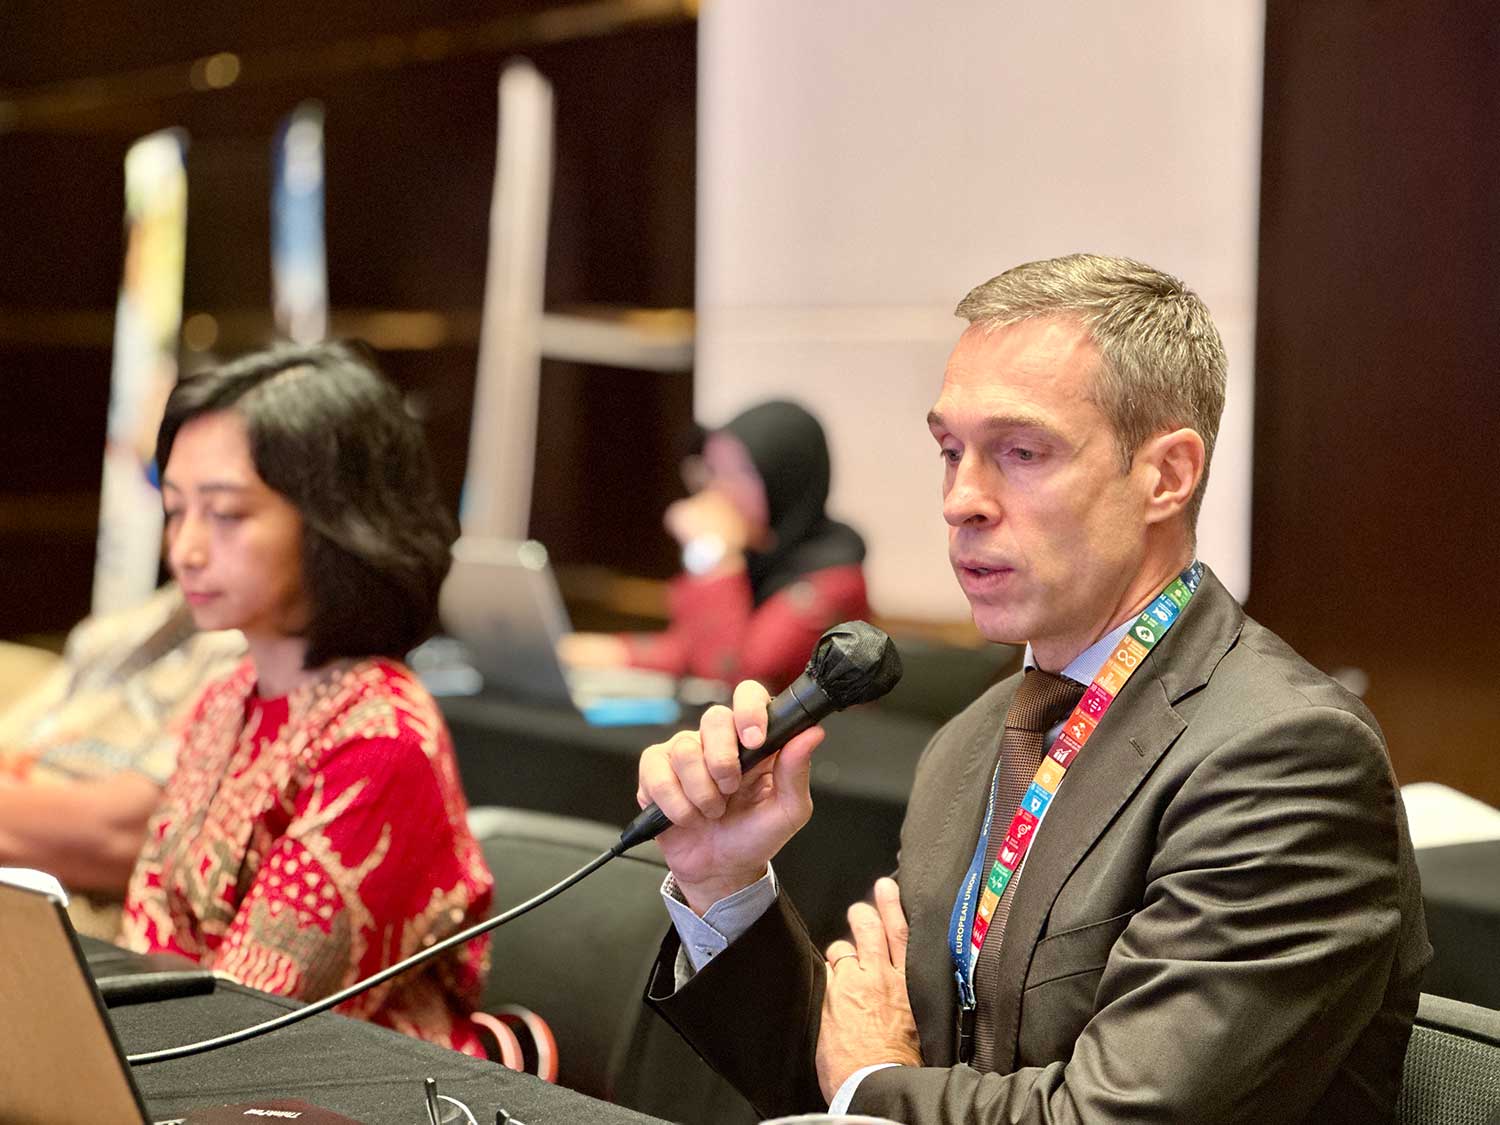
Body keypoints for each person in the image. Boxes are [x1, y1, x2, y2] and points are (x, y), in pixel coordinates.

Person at [633, 254, 1429, 1122]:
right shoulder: (972, 740)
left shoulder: (1287, 757)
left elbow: (1109, 1115)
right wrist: (728, 885)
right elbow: (852, 1072)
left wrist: (870, 1083)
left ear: (1166, 475)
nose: (961, 500)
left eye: (1020, 451)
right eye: (950, 451)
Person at [119, 341, 494, 1056]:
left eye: (226, 514)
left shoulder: (381, 737)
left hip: (348, 1096)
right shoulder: (227, 697)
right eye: (175, 510)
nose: (186, 549)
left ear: (333, 521)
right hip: (187, 1072)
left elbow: (251, 1021)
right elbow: (147, 935)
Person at [561, 400, 869, 691]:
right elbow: (695, 646)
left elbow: (732, 675)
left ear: (784, 479)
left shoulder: (835, 579)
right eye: (714, 471)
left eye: (739, 472)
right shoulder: (758, 556)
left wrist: (716, 555)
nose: (720, 490)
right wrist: (615, 652)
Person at [0, 584, 244, 938]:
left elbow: (129, 832)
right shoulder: (145, 618)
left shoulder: (258, 657)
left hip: (79, 914)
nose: (188, 555)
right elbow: (12, 747)